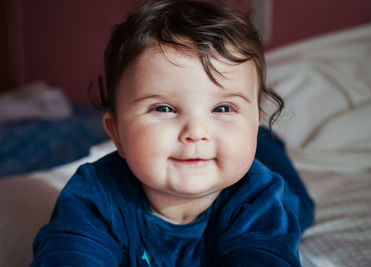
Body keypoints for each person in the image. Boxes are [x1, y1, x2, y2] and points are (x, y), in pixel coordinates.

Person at [31, 0, 314, 266]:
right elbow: (69, 251)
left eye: (224, 108)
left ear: (254, 123)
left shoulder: (259, 200)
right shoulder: (96, 194)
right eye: (164, 108)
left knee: (297, 206)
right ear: (116, 133)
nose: (195, 132)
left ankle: (266, 144)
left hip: (265, 175)